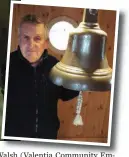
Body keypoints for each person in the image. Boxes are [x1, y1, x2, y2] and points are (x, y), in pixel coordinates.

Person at [1, 14, 79, 139]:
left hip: (47, 138)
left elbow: (67, 94)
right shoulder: (6, 64)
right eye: (26, 38)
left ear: (46, 43)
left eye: (37, 38)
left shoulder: (56, 66)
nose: (31, 44)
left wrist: (79, 77)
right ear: (19, 39)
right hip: (13, 138)